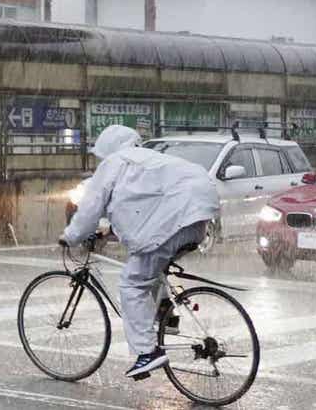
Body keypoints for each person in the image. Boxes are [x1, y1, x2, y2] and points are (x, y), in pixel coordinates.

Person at [59, 124, 219, 379]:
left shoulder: (114, 163)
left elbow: (90, 208)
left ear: (108, 149)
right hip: (198, 218)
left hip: (175, 219)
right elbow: (143, 205)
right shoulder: (150, 160)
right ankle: (168, 313)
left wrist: (71, 237)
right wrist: (108, 231)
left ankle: (147, 353)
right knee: (150, 267)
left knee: (132, 283)